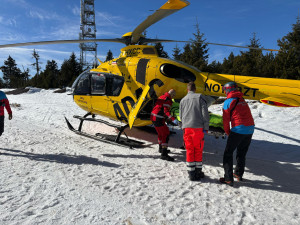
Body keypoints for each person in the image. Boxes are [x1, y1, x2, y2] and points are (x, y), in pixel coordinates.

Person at [219, 81, 255, 186]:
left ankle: (228, 178)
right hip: (250, 129)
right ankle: (238, 174)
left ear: (227, 90)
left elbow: (225, 120)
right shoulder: (242, 99)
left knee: (228, 153)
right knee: (241, 153)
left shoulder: (228, 101)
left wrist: (227, 131)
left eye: (225, 90)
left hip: (239, 129)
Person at [179, 82, 209, 181]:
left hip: (187, 128)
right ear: (195, 89)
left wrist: (183, 127)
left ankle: (191, 173)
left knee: (189, 150)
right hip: (198, 127)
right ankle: (198, 171)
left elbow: (181, 115)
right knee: (198, 149)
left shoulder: (182, 100)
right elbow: (205, 113)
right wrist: (206, 127)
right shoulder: (200, 97)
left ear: (187, 90)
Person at [150, 89, 178, 161]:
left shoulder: (162, 96)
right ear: (172, 95)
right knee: (166, 134)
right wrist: (172, 119)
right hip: (158, 118)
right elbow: (166, 111)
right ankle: (164, 154)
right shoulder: (167, 100)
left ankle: (161, 149)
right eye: (173, 95)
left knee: (160, 133)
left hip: (153, 117)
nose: (173, 97)